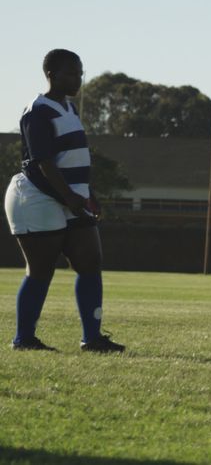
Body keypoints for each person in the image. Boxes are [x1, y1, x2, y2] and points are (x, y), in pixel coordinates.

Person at [4, 49, 124, 353]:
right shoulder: (38, 110)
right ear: (51, 75)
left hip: (70, 195)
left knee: (90, 262)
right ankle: (24, 339)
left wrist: (87, 193)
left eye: (80, 72)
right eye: (71, 73)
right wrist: (70, 197)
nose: (78, 79)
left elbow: (73, 159)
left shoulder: (70, 108)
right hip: (37, 197)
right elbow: (42, 163)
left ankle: (92, 339)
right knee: (41, 269)